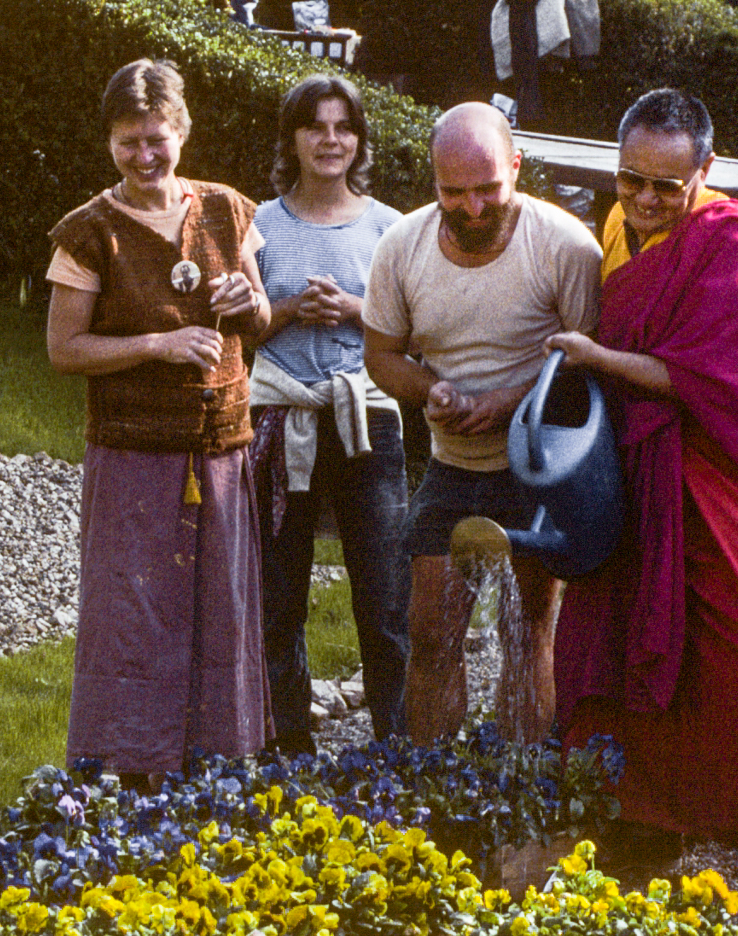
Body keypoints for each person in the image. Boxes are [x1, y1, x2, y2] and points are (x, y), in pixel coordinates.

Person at [545, 88, 738, 923]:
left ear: (705, 171)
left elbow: (701, 377)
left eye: (666, 186)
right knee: (617, 642)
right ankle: (648, 817)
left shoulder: (730, 239)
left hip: (722, 473)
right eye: (631, 181)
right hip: (634, 470)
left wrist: (594, 356)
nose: (646, 200)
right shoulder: (615, 232)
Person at [46, 59, 273, 795]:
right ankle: (135, 774)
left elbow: (262, 320)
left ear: (182, 132)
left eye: (157, 139)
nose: (144, 156)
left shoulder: (227, 210)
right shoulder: (89, 232)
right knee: (136, 615)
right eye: (128, 142)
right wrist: (157, 344)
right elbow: (63, 350)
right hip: (133, 454)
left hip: (219, 449)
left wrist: (247, 304)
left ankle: (213, 771)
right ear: (109, 142)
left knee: (219, 610)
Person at [364, 101, 602, 746]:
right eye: (453, 192)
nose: (472, 208)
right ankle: (435, 777)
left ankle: (524, 776)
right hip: (452, 464)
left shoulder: (565, 246)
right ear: (434, 182)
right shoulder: (402, 246)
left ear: (516, 168)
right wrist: (429, 390)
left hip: (537, 467)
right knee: (431, 634)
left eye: (488, 189)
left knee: (529, 632)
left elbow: (587, 364)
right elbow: (381, 355)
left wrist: (509, 402)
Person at [248, 75, 410, 754]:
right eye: (315, 126)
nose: (330, 140)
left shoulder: (390, 228)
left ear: (359, 140)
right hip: (282, 415)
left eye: (344, 127)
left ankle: (396, 745)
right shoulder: (260, 224)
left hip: (365, 416)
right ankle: (288, 747)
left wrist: (352, 309)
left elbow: (415, 331)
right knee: (277, 593)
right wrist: (290, 309)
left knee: (383, 592)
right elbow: (240, 330)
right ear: (292, 138)